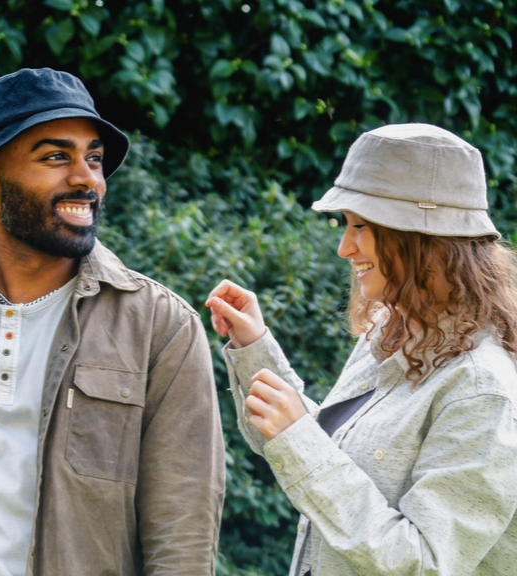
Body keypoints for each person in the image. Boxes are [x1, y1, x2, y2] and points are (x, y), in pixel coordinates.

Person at [0, 68, 225, 576]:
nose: (86, 178)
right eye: (56, 157)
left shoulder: (161, 328)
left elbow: (182, 533)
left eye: (93, 158)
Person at [206, 124, 517, 576]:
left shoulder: (481, 388)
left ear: (421, 238)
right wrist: (254, 349)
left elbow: (424, 562)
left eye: (359, 226)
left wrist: (298, 439)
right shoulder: (392, 328)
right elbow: (330, 450)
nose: (343, 247)